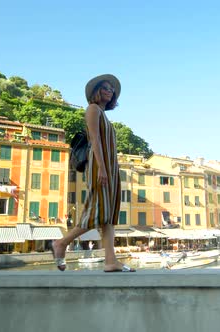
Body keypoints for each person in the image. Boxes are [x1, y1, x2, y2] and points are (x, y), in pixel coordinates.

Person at [51, 74, 135, 272]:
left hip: (110, 168)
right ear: (97, 91)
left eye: (111, 89)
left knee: (108, 216)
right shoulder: (92, 109)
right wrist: (103, 169)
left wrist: (111, 169)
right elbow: (95, 141)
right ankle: (61, 243)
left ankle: (110, 261)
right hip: (100, 167)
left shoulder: (104, 114)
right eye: (105, 87)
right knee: (97, 212)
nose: (110, 90)